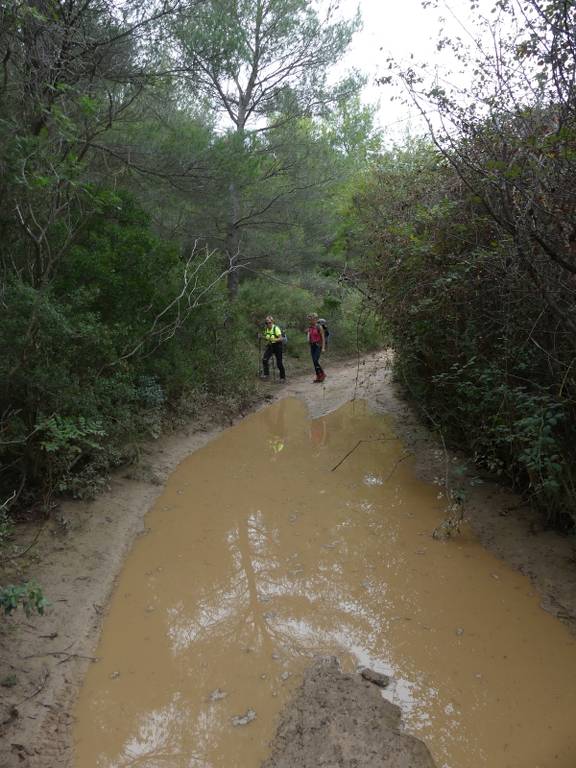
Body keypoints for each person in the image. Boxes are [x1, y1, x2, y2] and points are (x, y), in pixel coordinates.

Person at [261, 315, 286, 381]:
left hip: (278, 346)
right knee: (264, 359)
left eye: (270, 322)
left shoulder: (276, 328)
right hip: (270, 345)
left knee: (279, 363)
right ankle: (266, 375)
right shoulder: (266, 329)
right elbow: (267, 338)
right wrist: (261, 338)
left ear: (272, 322)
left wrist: (273, 339)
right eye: (267, 323)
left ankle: (282, 377)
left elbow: (281, 339)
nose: (268, 324)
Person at [307, 312, 326, 383]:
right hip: (312, 346)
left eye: (311, 319)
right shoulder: (310, 328)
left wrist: (323, 348)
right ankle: (319, 376)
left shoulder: (319, 327)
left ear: (315, 319)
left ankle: (322, 374)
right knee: (314, 362)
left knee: (315, 360)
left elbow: (323, 338)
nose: (310, 321)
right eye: (309, 320)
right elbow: (310, 337)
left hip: (318, 345)